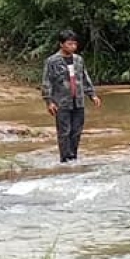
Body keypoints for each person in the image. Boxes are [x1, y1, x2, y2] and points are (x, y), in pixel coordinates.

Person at [41, 29, 101, 163]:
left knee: (76, 132)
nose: (73, 47)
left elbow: (84, 78)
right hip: (61, 102)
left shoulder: (78, 60)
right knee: (64, 132)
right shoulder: (52, 61)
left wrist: (92, 95)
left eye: (74, 44)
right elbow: (47, 82)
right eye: (69, 44)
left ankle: (73, 157)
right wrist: (49, 101)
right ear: (61, 44)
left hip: (78, 100)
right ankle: (64, 158)